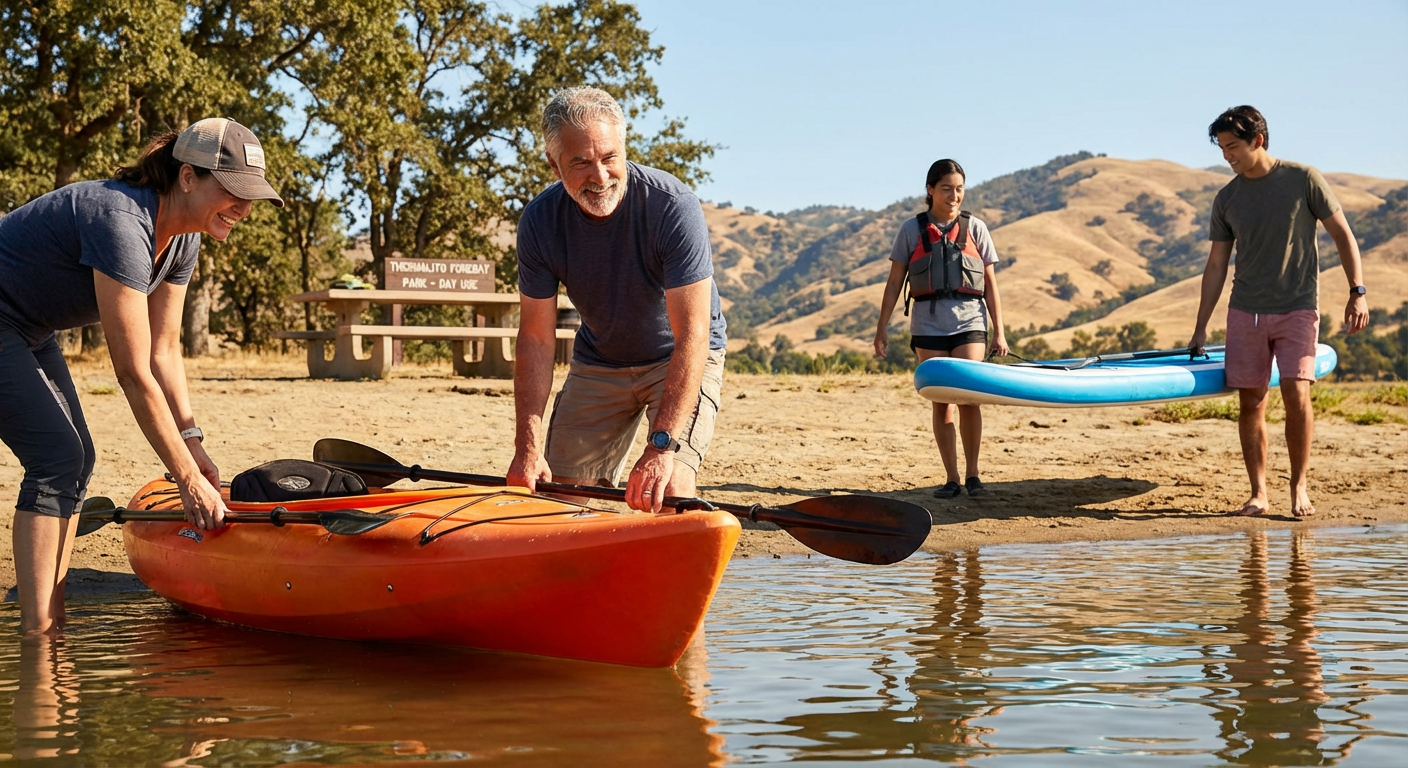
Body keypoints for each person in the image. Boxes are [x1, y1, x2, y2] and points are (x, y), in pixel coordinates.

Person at [0, 117, 284, 634]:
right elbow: (132, 372)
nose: (244, 207)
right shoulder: (120, 220)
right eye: (233, 191)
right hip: (3, 320)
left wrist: (193, 443)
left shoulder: (184, 238)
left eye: (252, 195)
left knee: (77, 457)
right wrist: (186, 479)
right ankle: (39, 640)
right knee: (56, 456)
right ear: (187, 177)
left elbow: (164, 351)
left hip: (30, 328)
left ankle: (50, 628)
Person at [507, 87, 727, 513]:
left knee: (669, 491)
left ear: (624, 149)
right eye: (581, 163)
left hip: (677, 355)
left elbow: (694, 336)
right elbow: (535, 338)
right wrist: (527, 447)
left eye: (609, 158)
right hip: (600, 360)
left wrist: (661, 447)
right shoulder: (538, 223)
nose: (600, 176)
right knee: (555, 500)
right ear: (554, 165)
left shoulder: (672, 206)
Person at [1188, 105, 1368, 518]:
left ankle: (1299, 486)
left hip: (1297, 308)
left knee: (1296, 393)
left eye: (1233, 146)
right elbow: (1216, 266)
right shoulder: (1227, 198)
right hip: (1245, 311)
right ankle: (1258, 493)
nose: (1226, 156)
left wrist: (1357, 291)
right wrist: (1200, 327)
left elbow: (1343, 234)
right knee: (1251, 401)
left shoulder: (1303, 179)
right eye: (1221, 148)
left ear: (1258, 141)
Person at [874, 159, 1009, 499]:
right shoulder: (910, 230)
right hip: (928, 324)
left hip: (970, 323)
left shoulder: (976, 228)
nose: (954, 195)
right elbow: (894, 284)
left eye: (959, 189)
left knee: (968, 397)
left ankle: (974, 475)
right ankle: (952, 478)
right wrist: (882, 328)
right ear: (930, 190)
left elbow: (991, 285)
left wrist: (1000, 332)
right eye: (946, 188)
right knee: (941, 402)